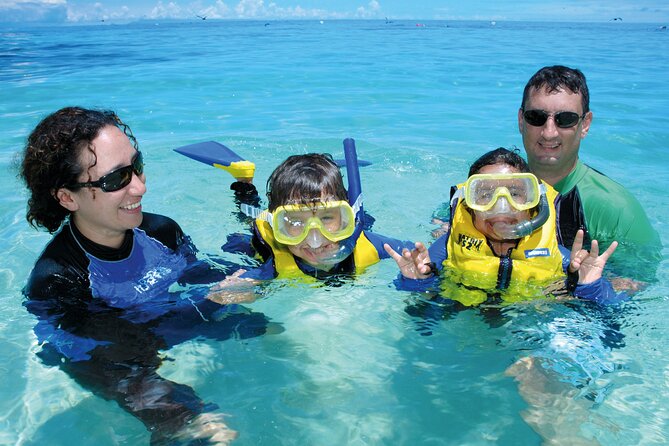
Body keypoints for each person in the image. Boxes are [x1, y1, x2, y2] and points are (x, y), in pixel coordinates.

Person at [20, 106, 271, 445]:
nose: (139, 188)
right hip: (111, 357)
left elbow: (198, 275)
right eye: (115, 179)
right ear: (67, 197)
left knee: (262, 332)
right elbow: (126, 356)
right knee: (196, 429)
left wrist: (265, 257)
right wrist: (211, 304)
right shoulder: (58, 281)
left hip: (169, 324)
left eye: (137, 167)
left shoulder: (161, 231)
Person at [384, 148, 624, 307]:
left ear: (534, 203)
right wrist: (416, 281)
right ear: (469, 205)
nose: (501, 206)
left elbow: (608, 313)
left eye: (516, 193)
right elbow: (419, 311)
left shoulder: (556, 254)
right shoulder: (448, 246)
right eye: (485, 194)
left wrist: (589, 285)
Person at [518, 65, 660, 282]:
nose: (549, 132)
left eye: (565, 119)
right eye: (536, 117)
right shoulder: (497, 185)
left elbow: (638, 285)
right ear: (521, 121)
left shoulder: (616, 209)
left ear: (585, 125)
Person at [209, 152, 414, 302]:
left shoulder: (370, 244)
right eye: (297, 222)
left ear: (345, 216)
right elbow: (218, 296)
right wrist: (229, 292)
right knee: (247, 220)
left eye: (326, 218)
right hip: (259, 239)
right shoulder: (273, 267)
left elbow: (418, 258)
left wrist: (418, 277)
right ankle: (244, 183)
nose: (314, 239)